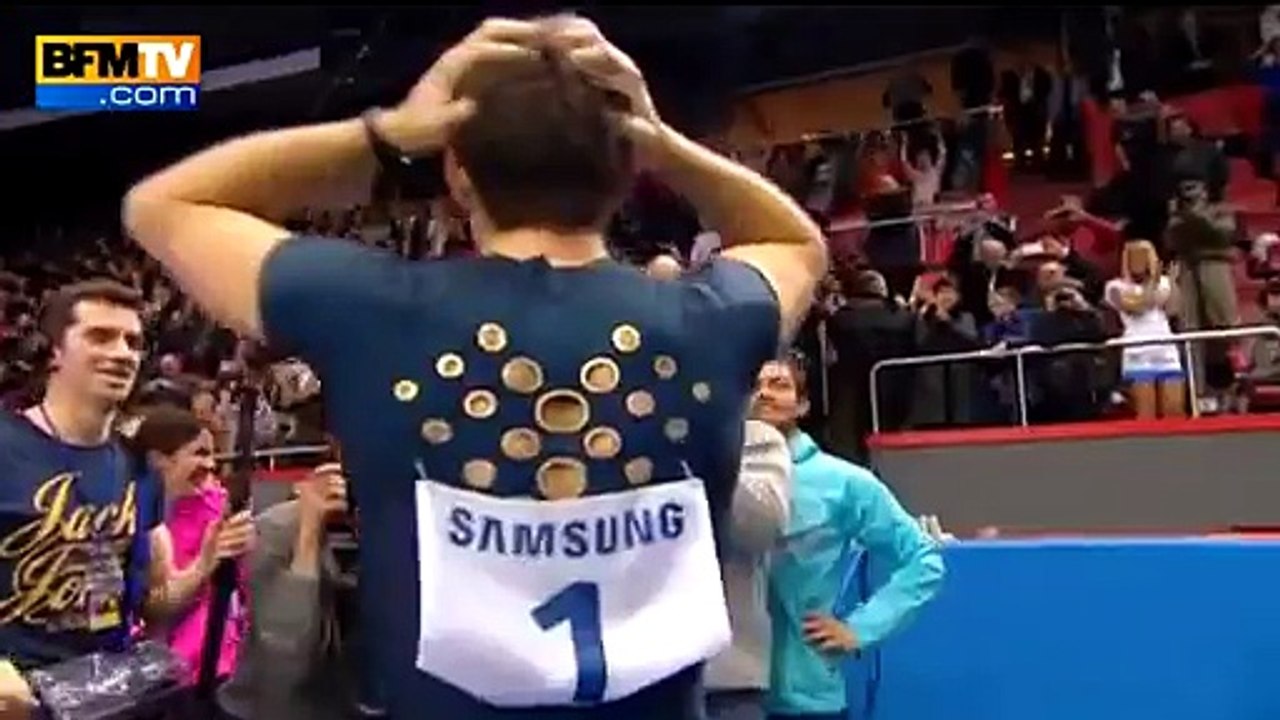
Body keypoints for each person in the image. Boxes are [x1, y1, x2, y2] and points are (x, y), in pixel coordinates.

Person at [122, 16, 825, 720]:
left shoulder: (374, 309)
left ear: (457, 172)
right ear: (628, 171)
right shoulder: (710, 319)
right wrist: (663, 142)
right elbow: (793, 240)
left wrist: (388, 132)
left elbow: (162, 203)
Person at [0, 280, 255, 718]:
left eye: (133, 341)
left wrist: (206, 561)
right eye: (100, 336)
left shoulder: (138, 469)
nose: (122, 353)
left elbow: (155, 607)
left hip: (104, 697)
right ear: (55, 352)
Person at [750, 357, 944, 720]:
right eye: (754, 384)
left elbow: (922, 560)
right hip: (718, 693)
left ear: (803, 404)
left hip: (804, 698)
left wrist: (859, 629)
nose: (763, 393)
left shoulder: (844, 483)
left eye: (778, 384)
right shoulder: (708, 476)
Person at [131, 405, 250, 687]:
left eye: (211, 453)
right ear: (159, 460)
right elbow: (153, 608)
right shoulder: (126, 516)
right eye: (200, 453)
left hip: (212, 662)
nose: (212, 465)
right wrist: (204, 564)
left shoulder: (215, 508)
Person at [705, 420, 792, 720]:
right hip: (609, 673)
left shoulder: (756, 438)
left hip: (722, 682)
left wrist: (690, 453)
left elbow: (761, 526)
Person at [1104, 240, 1185, 419]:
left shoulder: (1164, 283)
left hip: (1165, 349)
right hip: (1138, 351)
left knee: (1174, 410)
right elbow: (1138, 307)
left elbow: (1173, 310)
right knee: (1146, 413)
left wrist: (1172, 284)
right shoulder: (1115, 287)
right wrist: (1155, 282)